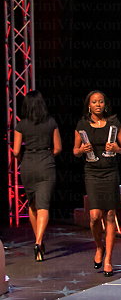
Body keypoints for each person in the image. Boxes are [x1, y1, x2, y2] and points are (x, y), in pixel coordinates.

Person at [73, 90, 121, 277]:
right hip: (92, 173)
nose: (98, 105)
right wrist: (82, 149)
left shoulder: (114, 123)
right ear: (89, 105)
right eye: (94, 102)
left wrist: (117, 148)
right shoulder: (82, 124)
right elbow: (75, 151)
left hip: (110, 172)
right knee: (95, 216)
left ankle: (108, 260)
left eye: (101, 102)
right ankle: (99, 247)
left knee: (110, 215)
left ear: (105, 104)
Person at [12, 90, 62, 262]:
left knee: (32, 205)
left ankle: (38, 242)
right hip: (46, 164)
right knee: (43, 206)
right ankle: (39, 242)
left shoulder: (21, 125)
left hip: (28, 165)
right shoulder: (51, 122)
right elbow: (58, 148)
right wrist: (47, 156)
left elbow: (16, 151)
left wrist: (24, 159)